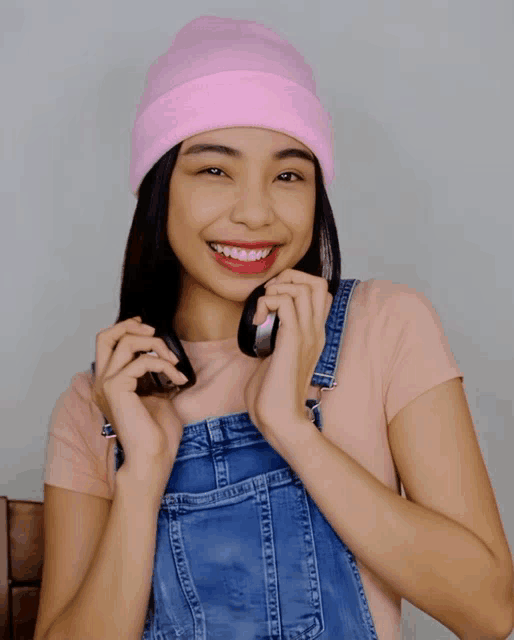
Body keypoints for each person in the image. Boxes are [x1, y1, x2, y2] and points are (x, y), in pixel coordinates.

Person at [36, 15, 514, 640]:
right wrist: (141, 478)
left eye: (289, 175)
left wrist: (293, 430)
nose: (256, 211)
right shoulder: (98, 402)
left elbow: (488, 610)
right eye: (214, 170)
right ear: (158, 191)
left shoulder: (386, 325)